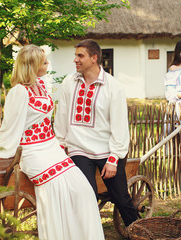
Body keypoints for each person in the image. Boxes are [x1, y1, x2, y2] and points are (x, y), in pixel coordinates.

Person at [0, 45, 105, 240]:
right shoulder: (18, 92)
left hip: (51, 147)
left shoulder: (41, 85)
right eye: (45, 62)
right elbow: (8, 128)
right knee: (57, 190)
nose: (48, 64)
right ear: (33, 65)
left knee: (83, 190)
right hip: (32, 152)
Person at [54, 39, 138, 227]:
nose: (75, 59)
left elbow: (119, 125)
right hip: (79, 150)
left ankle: (139, 232)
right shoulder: (69, 82)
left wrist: (113, 158)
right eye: (75, 55)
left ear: (94, 58)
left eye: (80, 56)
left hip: (106, 151)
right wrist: (60, 144)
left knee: (122, 199)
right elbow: (62, 115)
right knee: (87, 198)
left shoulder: (112, 86)